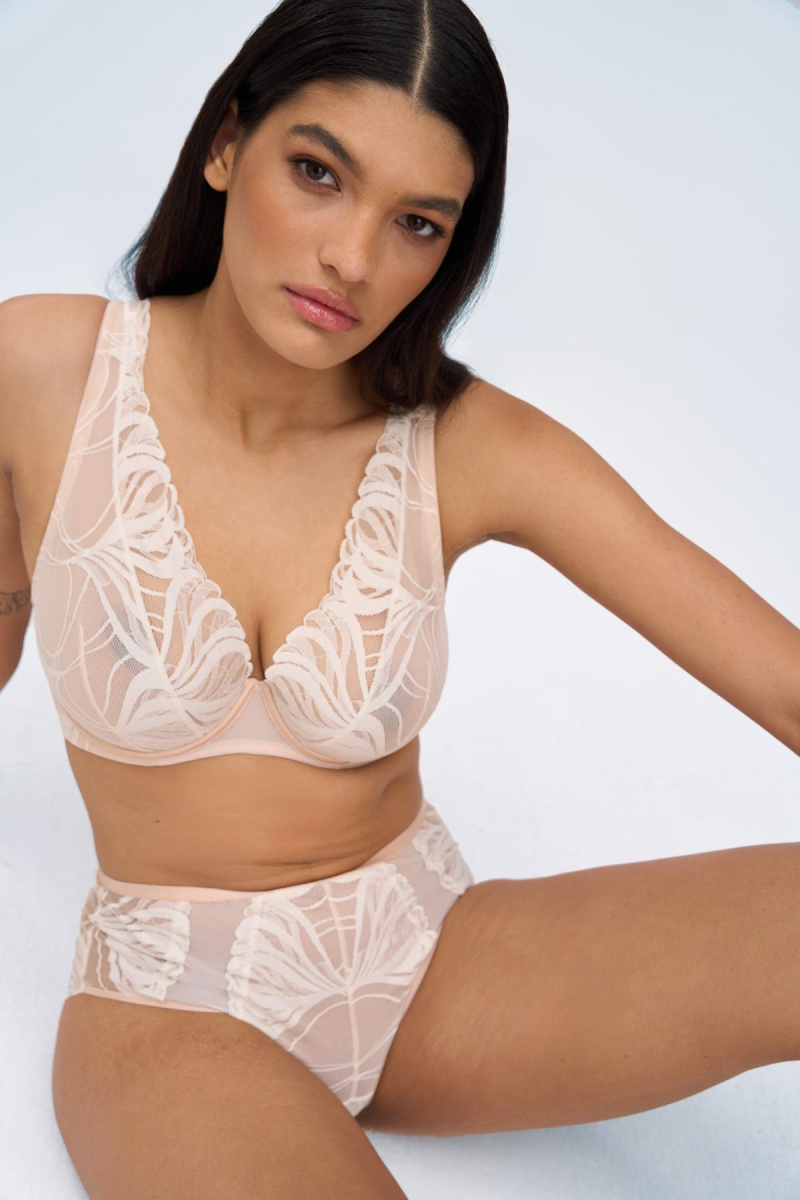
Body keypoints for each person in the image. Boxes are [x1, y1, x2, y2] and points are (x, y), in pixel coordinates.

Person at [1, 0, 799, 1196]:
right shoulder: (38, 370)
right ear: (226, 145)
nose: (353, 259)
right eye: (318, 173)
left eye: (415, 223)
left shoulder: (467, 443)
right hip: (169, 1008)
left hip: (432, 966)